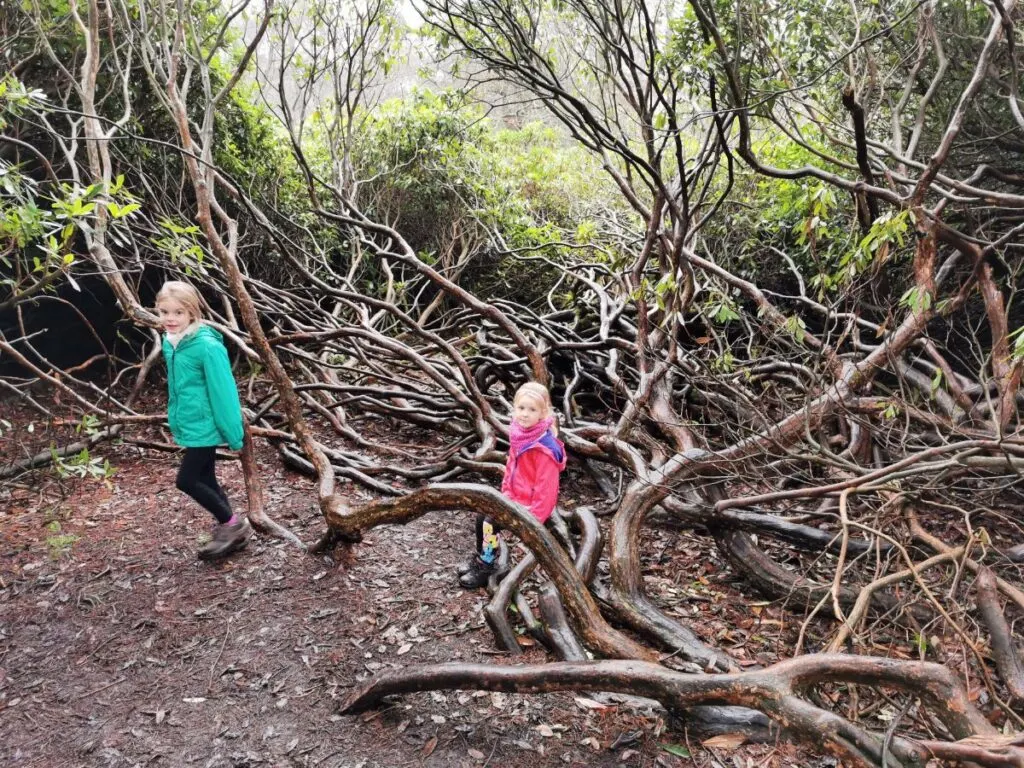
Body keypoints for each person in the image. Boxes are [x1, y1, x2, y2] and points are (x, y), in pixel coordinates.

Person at [157, 280, 251, 560]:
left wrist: (234, 434)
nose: (170, 319)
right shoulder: (171, 342)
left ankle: (232, 525)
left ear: (192, 314)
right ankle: (232, 525)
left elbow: (224, 392)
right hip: (191, 422)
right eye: (164, 312)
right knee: (206, 477)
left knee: (186, 481)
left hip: (206, 425)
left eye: (178, 313)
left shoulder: (207, 347)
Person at [458, 382, 567, 589]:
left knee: (490, 522)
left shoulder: (544, 448)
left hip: (529, 507)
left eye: (532, 410)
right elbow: (510, 467)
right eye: (521, 408)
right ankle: (483, 555)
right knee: (482, 515)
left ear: (543, 413)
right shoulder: (520, 435)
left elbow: (547, 490)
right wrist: (505, 494)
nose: (525, 414)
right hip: (515, 497)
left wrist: (532, 518)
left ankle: (487, 565)